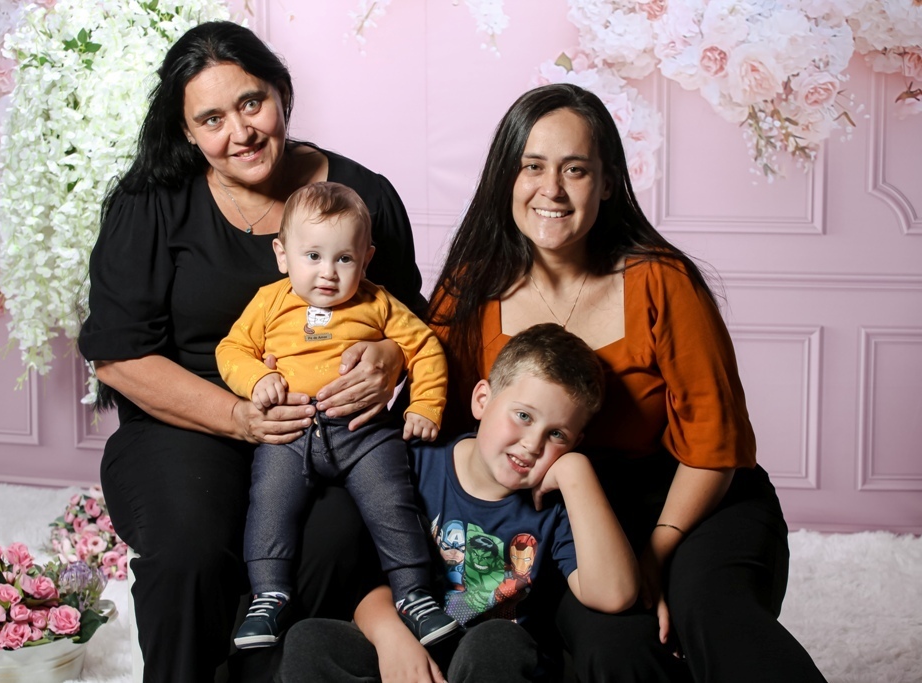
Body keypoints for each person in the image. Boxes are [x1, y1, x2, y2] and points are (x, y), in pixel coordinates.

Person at [426, 83, 828, 683]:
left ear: (608, 182)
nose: (551, 189)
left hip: (693, 497)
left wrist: (656, 554)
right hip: (568, 517)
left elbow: (715, 446)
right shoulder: (470, 288)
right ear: (506, 177)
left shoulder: (662, 280)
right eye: (532, 166)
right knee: (614, 644)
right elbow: (434, 408)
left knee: (709, 614)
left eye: (575, 170)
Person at [77, 21, 427, 683]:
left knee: (334, 544)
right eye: (211, 119)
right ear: (186, 132)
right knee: (189, 548)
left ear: (280, 94)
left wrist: (389, 357)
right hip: (186, 422)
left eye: (250, 103)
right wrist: (239, 418)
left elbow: (411, 322)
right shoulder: (149, 203)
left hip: (328, 426)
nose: (240, 131)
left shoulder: (362, 196)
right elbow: (119, 356)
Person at [277, 323, 640, 683]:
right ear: (482, 400)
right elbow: (364, 579)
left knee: (496, 639)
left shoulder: (556, 506)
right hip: (404, 654)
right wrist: (391, 637)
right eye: (524, 416)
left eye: (557, 434)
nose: (533, 444)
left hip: (492, 664)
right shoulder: (409, 464)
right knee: (309, 641)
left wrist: (577, 473)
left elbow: (614, 595)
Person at [215, 181, 457, 649]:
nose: (328, 273)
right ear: (283, 255)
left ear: (365, 259)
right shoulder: (270, 301)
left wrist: (426, 404)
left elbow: (425, 346)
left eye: (344, 259)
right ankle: (268, 595)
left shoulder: (377, 302)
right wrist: (256, 380)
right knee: (269, 503)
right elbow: (232, 349)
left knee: (392, 503)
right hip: (291, 431)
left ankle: (415, 595)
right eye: (313, 256)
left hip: (364, 433)